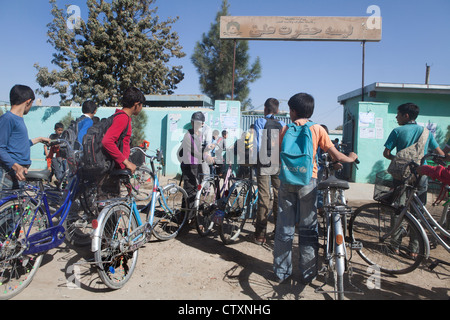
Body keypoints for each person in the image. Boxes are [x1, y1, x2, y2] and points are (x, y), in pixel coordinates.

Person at [273, 93, 358, 285]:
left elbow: (278, 157)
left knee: (284, 228)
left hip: (287, 181)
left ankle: (281, 273)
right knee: (308, 228)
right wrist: (351, 157)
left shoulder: (285, 129)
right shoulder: (318, 129)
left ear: (293, 111)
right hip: (308, 182)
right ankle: (307, 273)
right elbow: (336, 156)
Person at [383, 103, 444, 204]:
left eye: (398, 114)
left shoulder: (397, 131)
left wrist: (399, 159)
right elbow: (440, 154)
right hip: (421, 171)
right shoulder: (426, 132)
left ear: (406, 116)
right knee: (419, 204)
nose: (396, 117)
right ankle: (418, 219)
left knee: (398, 204)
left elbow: (386, 154)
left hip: (401, 172)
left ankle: (398, 218)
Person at [0, 85, 51, 191]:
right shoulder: (8, 119)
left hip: (18, 174)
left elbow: (17, 145)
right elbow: (1, 148)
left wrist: (39, 139)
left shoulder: (18, 119)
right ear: (28, 101)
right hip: (9, 175)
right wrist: (16, 166)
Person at [252, 98, 285, 244]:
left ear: (265, 109)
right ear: (277, 111)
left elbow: (258, 145)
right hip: (278, 162)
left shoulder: (260, 122)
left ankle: (260, 234)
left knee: (264, 197)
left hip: (264, 162)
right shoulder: (283, 124)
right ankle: (278, 231)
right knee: (279, 196)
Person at [100, 87, 144, 195]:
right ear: (136, 104)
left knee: (116, 205)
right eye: (142, 105)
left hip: (114, 168)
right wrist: (126, 162)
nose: (142, 108)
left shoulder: (122, 117)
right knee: (110, 206)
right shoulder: (122, 118)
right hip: (112, 170)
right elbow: (107, 141)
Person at [178, 111, 212, 209]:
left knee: (192, 191)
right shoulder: (188, 135)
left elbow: (199, 149)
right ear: (191, 122)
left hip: (195, 165)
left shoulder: (199, 135)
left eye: (198, 123)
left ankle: (185, 216)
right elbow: (193, 151)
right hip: (188, 166)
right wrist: (206, 157)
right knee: (191, 191)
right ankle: (189, 219)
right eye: (194, 122)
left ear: (202, 124)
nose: (196, 125)